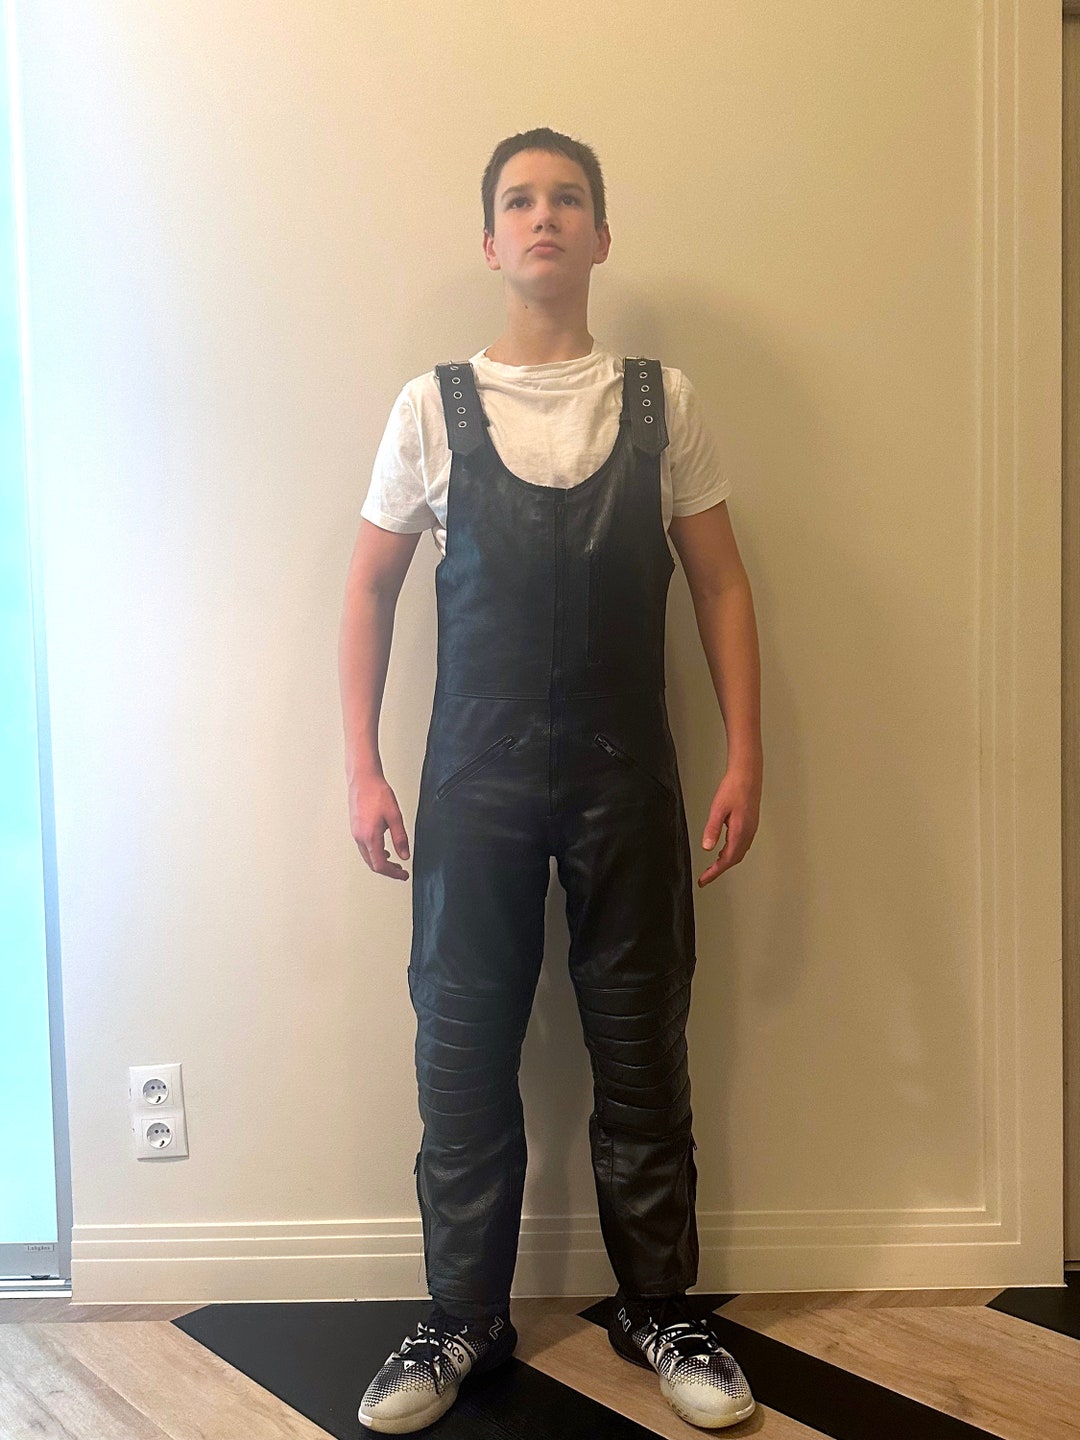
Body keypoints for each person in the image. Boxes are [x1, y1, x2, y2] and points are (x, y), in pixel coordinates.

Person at [339, 127, 763, 1433]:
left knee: (641, 1048)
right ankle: (460, 1318)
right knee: (462, 1050)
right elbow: (370, 587)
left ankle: (661, 1311)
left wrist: (748, 752)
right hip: (472, 781)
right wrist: (361, 768)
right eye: (520, 200)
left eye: (567, 198)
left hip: (629, 775)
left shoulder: (663, 402)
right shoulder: (430, 408)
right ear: (490, 240)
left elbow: (721, 583)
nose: (544, 217)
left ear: (600, 235)